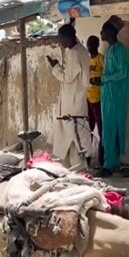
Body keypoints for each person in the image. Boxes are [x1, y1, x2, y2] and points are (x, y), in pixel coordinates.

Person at [47, 24, 92, 167]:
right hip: (77, 99)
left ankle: (80, 168)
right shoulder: (82, 51)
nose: (60, 42)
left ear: (67, 37)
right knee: (74, 139)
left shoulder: (74, 53)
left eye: (60, 38)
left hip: (72, 103)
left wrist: (55, 66)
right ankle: (76, 167)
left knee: (75, 138)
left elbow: (67, 77)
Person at [98, 18, 129, 177]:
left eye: (103, 30)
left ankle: (109, 164)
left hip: (116, 96)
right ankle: (110, 162)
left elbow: (122, 72)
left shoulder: (120, 50)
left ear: (111, 32)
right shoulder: (109, 49)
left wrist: (103, 79)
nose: (101, 33)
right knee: (108, 130)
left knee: (112, 129)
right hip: (107, 95)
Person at [86, 35, 105, 167]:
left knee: (102, 129)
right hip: (87, 98)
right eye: (89, 44)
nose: (90, 46)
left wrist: (99, 80)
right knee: (88, 129)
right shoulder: (87, 61)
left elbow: (107, 76)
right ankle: (87, 157)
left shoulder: (101, 59)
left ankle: (101, 158)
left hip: (99, 99)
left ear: (97, 45)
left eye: (93, 44)